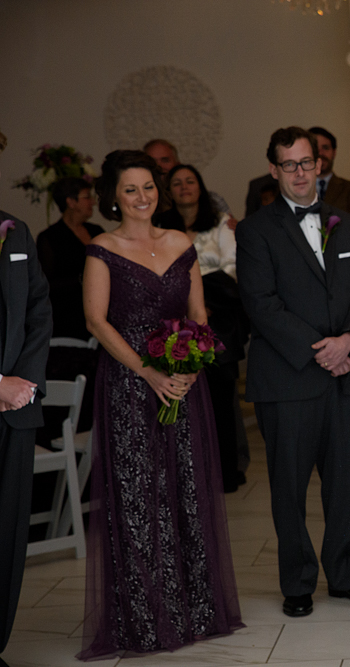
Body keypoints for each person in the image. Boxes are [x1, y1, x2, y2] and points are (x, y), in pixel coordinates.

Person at [79, 150, 242, 658]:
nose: (142, 197)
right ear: (113, 197)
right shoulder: (101, 249)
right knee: (136, 497)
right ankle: (145, 617)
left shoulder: (181, 243)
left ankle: (192, 609)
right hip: (130, 387)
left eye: (149, 187)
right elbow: (96, 322)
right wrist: (148, 372)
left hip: (181, 387)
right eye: (131, 189)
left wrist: (191, 365)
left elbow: (198, 313)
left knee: (185, 489)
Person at [236, 127, 350, 618]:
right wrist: (320, 349)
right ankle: (297, 582)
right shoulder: (255, 230)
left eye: (307, 162)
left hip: (345, 373)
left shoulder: (348, 223)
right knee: (289, 485)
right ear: (274, 170)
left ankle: (346, 575)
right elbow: (261, 304)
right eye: (289, 165)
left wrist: (348, 342)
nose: (300, 172)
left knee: (345, 483)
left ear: (319, 164)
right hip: (288, 376)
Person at [156, 164, 247, 493]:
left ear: (201, 186)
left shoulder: (221, 224)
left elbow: (232, 268)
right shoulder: (160, 227)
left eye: (189, 181)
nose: (183, 187)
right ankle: (185, 474)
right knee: (179, 398)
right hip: (173, 325)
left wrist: (200, 299)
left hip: (218, 321)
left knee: (221, 401)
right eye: (176, 183)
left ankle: (225, 471)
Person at [0, 129, 53, 667]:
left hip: (16, 408)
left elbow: (40, 313)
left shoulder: (14, 233)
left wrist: (22, 385)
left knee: (7, 534)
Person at [37, 178, 105, 340]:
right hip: (68, 317)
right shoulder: (50, 237)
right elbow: (45, 284)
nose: (93, 202)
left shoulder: (97, 232)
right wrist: (82, 279)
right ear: (71, 202)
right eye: (87, 197)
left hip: (100, 312)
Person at [143, 138, 232, 216]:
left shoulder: (213, 201)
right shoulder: (139, 201)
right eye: (152, 162)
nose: (159, 166)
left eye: (165, 160)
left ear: (177, 164)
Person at [309, 126, 350, 234]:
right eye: (315, 148)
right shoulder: (295, 189)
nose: (320, 153)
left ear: (334, 152)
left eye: (325, 148)